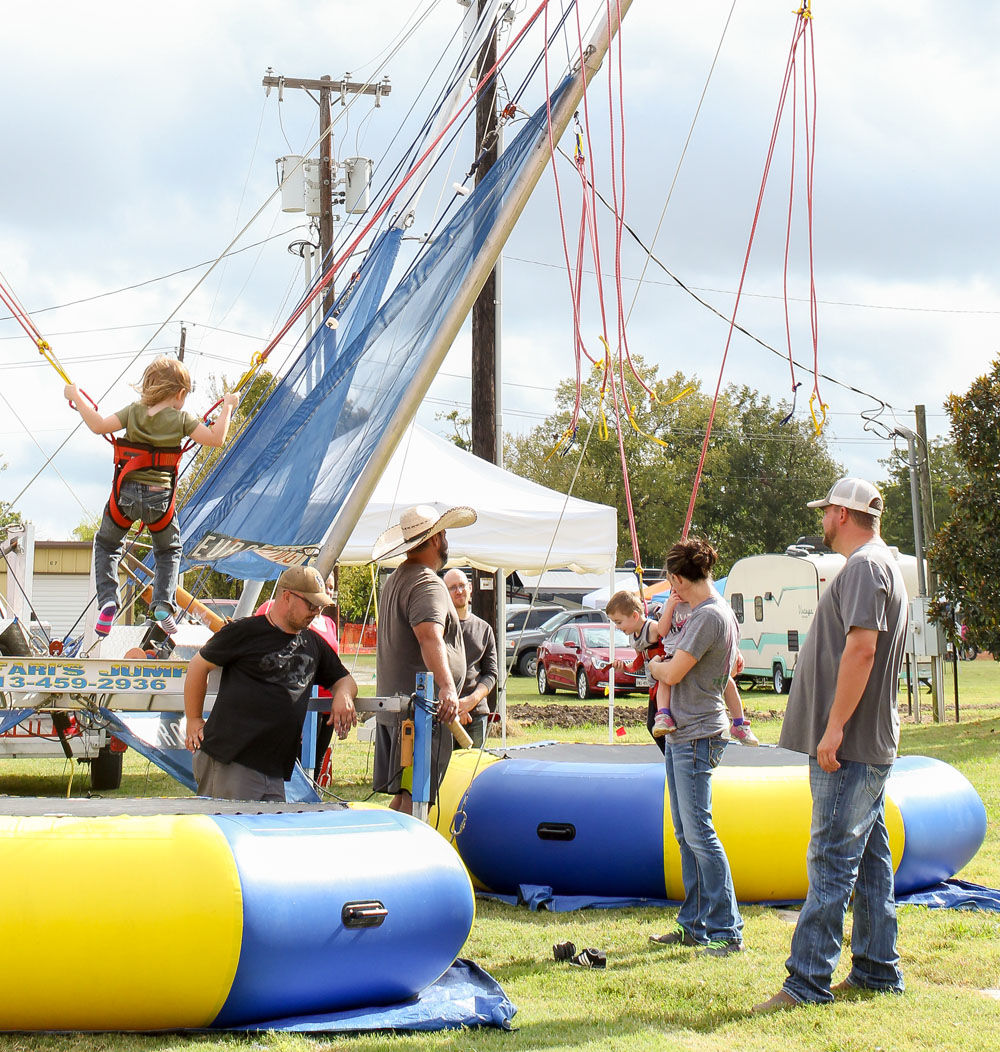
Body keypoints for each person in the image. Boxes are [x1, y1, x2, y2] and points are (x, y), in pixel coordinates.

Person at [754, 478, 908, 1013]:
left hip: (851, 745)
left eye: (826, 512)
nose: (821, 520)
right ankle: (875, 970)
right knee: (869, 863)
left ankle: (805, 984)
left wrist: (835, 726)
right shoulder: (881, 564)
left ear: (842, 514)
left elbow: (861, 651)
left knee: (830, 863)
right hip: (869, 742)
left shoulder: (865, 566)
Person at [64, 357, 238, 636]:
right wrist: (228, 404)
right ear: (180, 393)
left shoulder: (133, 412)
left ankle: (108, 599)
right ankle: (162, 604)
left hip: (125, 499)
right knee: (168, 551)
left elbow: (97, 425)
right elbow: (217, 438)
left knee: (108, 545)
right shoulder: (181, 419)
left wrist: (76, 397)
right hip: (161, 502)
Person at [645, 538, 745, 955]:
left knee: (700, 834)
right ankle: (694, 924)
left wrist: (652, 666)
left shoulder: (709, 617)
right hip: (684, 732)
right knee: (686, 834)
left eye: (672, 582)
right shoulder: (707, 610)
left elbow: (673, 669)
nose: (672, 590)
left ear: (678, 578)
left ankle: (727, 930)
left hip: (698, 733)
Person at [183, 565, 357, 802]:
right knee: (232, 832)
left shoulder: (312, 643)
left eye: (320, 606)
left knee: (265, 835)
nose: (316, 612)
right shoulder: (245, 631)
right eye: (311, 605)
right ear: (287, 596)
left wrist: (343, 695)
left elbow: (344, 679)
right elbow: (198, 666)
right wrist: (193, 719)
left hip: (275, 770)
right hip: (232, 760)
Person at [372, 504, 476, 814]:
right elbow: (429, 634)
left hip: (408, 709)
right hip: (419, 714)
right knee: (415, 799)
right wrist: (447, 688)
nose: (445, 540)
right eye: (442, 533)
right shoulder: (426, 582)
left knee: (406, 796)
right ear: (433, 540)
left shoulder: (398, 579)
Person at [606, 589, 759, 747]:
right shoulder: (633, 637)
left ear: (635, 616)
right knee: (653, 725)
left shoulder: (651, 628)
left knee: (667, 724)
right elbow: (639, 661)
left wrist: (736, 652)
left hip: (668, 673)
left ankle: (739, 723)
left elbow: (664, 632)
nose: (617, 627)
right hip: (656, 681)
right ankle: (670, 753)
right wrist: (624, 667)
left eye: (618, 622)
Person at [255, 575, 340, 773]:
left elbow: (336, 667)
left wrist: (341, 693)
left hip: (325, 704)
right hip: (296, 700)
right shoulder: (270, 611)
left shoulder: (329, 623)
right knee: (294, 761)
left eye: (331, 588)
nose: (327, 592)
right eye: (324, 587)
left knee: (315, 760)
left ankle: (312, 792)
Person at [443, 568, 498, 749]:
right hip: (443, 714)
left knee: (473, 773)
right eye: (452, 588)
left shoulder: (484, 629)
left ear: (470, 588)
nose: (459, 591)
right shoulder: (437, 629)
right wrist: (456, 706)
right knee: (444, 774)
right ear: (444, 592)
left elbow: (491, 674)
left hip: (476, 715)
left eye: (462, 585)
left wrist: (471, 702)